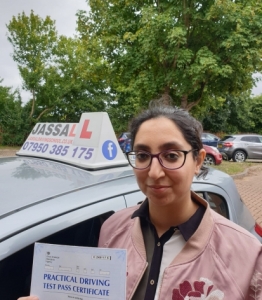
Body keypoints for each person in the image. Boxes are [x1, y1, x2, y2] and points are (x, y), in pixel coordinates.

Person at [18, 104, 262, 300]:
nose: (154, 172)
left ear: (198, 161)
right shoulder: (112, 229)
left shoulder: (248, 257)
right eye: (143, 155)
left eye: (171, 155)